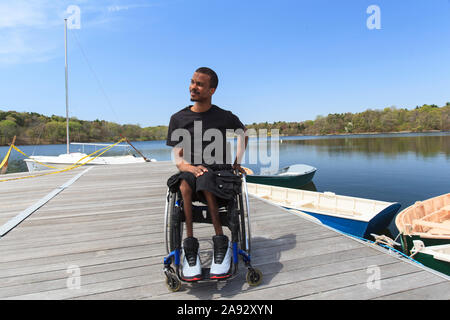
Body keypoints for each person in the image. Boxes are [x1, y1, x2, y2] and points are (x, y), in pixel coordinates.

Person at [166, 67, 248, 281]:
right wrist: (188, 167)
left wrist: (237, 162)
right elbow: (178, 157)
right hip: (192, 173)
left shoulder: (223, 116)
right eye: (192, 82)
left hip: (220, 175)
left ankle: (221, 242)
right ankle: (189, 247)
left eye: (199, 84)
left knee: (206, 178)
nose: (193, 86)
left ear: (211, 90)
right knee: (184, 183)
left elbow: (243, 133)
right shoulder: (178, 118)